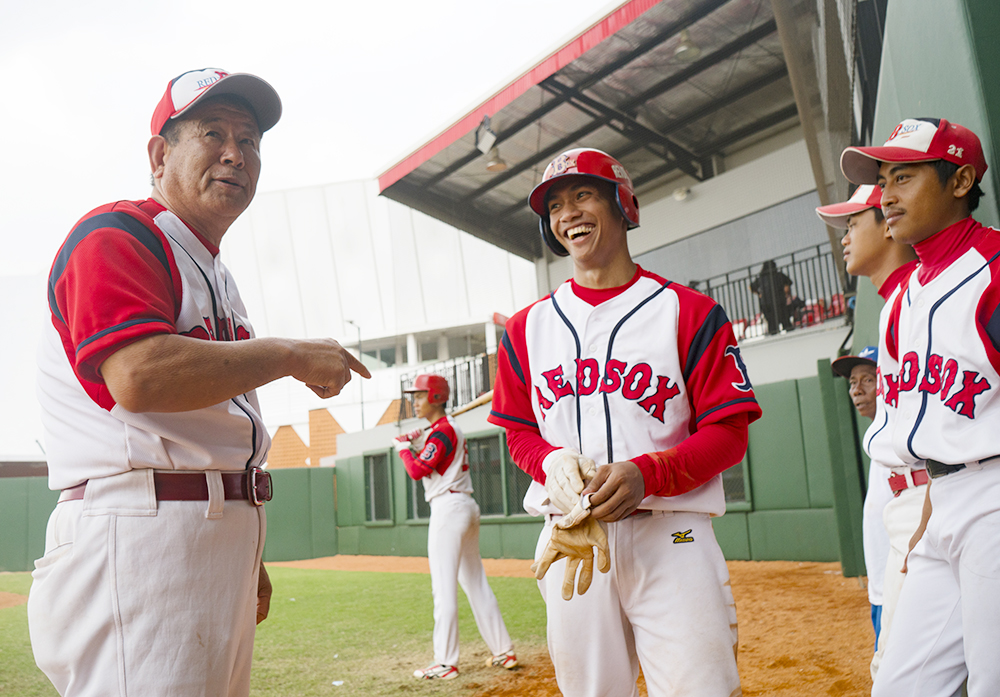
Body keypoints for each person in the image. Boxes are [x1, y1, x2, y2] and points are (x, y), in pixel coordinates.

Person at [28, 68, 370, 697]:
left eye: (251, 140)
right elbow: (138, 375)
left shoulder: (213, 269)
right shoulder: (118, 233)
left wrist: (245, 540)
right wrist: (290, 353)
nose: (236, 153)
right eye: (213, 132)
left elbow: (211, 422)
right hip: (138, 530)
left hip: (202, 528)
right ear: (160, 154)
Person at [488, 148, 761, 697]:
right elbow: (518, 431)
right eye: (556, 205)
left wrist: (649, 472)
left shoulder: (689, 312)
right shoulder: (524, 330)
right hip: (573, 539)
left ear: (621, 203)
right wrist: (548, 461)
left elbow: (729, 434)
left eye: (583, 195)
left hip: (673, 533)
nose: (568, 214)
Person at [841, 117, 997, 696]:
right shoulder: (901, 298)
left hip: (993, 496)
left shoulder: (996, 272)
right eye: (883, 181)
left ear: (959, 181)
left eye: (903, 177)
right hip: (935, 499)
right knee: (902, 685)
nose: (887, 196)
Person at [817, 183, 921, 681]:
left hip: (936, 515)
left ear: (889, 223)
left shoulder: (921, 296)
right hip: (908, 525)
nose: (843, 235)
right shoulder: (893, 307)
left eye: (853, 222)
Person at [393, 374, 516, 680]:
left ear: (435, 397)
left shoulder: (445, 430)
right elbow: (432, 452)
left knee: (444, 588)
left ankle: (445, 662)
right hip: (461, 506)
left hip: (449, 510)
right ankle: (504, 650)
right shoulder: (442, 430)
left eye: (420, 396)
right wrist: (415, 440)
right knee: (475, 583)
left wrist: (403, 448)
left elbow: (418, 469)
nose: (415, 401)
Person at [830, 346, 893, 655]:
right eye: (852, 382)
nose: (856, 389)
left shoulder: (901, 432)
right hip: (881, 581)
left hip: (900, 581)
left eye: (868, 379)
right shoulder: (877, 433)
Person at [751, 259, 796, 333]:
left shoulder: (760, 279)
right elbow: (787, 287)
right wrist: (787, 295)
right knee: (785, 321)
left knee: (772, 324)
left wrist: (759, 293)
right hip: (780, 301)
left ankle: (774, 334)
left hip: (766, 304)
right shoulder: (779, 275)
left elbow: (751, 287)